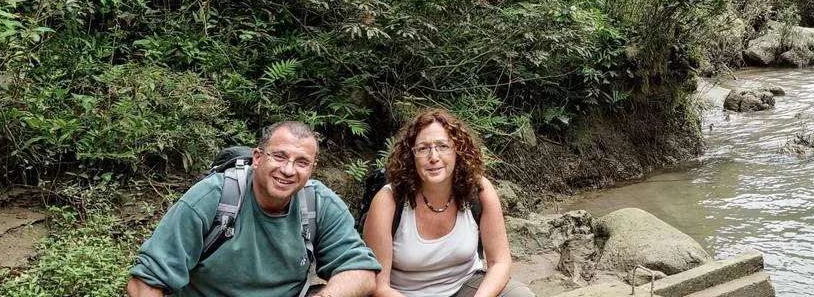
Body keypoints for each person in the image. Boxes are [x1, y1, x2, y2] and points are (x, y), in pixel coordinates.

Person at [127, 121, 380, 297]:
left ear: (312, 168)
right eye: (279, 156)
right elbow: (144, 281)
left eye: (302, 162)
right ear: (258, 158)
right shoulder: (213, 197)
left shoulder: (318, 204)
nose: (289, 170)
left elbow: (361, 270)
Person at [361, 109, 532, 297]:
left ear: (458, 151)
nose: (434, 157)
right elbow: (377, 285)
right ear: (411, 156)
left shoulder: (478, 191)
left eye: (442, 146)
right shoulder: (389, 201)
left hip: (465, 285)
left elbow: (500, 262)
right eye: (423, 148)